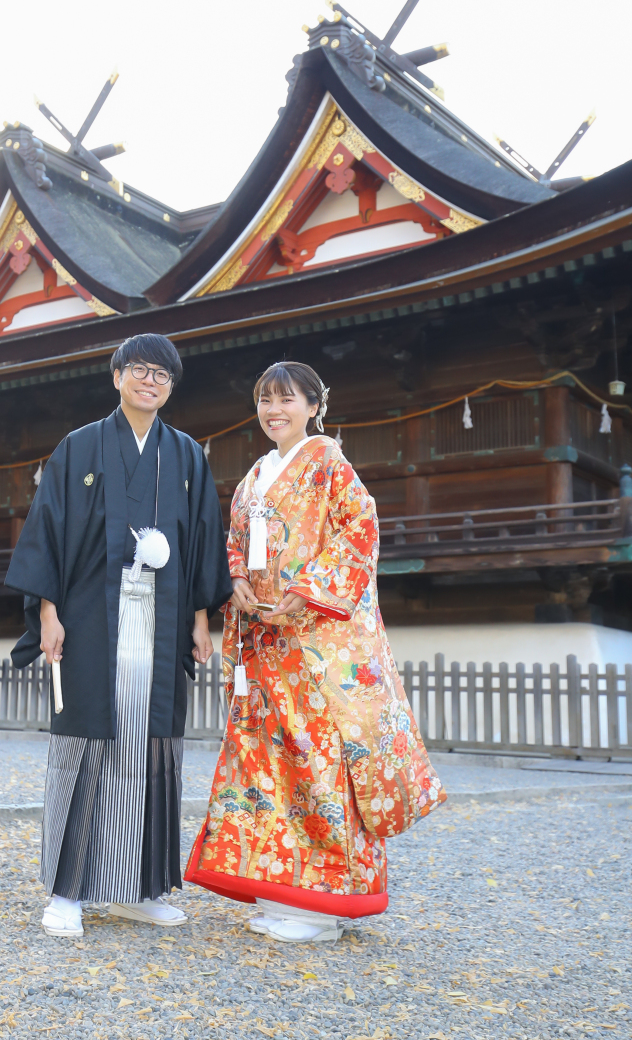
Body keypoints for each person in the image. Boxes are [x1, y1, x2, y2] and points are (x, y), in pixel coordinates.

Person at [185, 361, 445, 943]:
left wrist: (303, 596)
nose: (274, 410)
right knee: (270, 761)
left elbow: (360, 528)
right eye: (265, 400)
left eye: (286, 399)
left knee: (321, 759)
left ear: (312, 406)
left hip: (315, 641)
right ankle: (285, 886)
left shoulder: (328, 461)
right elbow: (235, 540)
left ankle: (327, 904)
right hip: (265, 638)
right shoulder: (256, 474)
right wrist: (239, 583)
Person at [6, 333, 232, 937]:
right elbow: (48, 531)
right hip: (89, 616)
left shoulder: (186, 455)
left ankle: (139, 886)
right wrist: (48, 613)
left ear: (171, 386)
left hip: (160, 621)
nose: (150, 380)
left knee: (151, 748)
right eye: (139, 370)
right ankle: (67, 892)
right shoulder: (79, 447)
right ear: (116, 377)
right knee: (86, 746)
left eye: (162, 373)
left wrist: (201, 618)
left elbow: (202, 541)